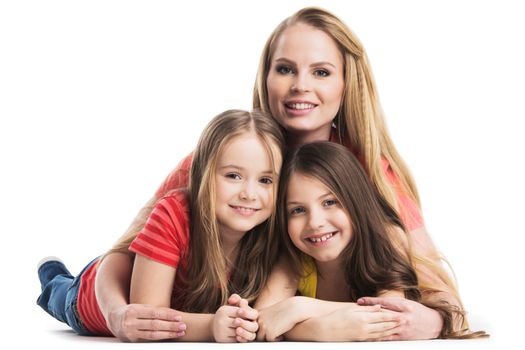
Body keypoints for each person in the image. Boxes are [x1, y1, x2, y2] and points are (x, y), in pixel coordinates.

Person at [94, 7, 472, 340]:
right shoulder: (224, 155)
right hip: (192, 306)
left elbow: (436, 285)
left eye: (321, 72)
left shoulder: (369, 167)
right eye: (285, 69)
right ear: (266, 76)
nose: (300, 86)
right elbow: (120, 253)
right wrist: (115, 314)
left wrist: (435, 322)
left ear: (346, 84)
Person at [37, 109, 285, 342]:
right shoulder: (174, 212)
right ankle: (51, 272)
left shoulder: (269, 234)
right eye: (233, 176)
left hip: (140, 263)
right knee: (58, 293)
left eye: (265, 180)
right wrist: (212, 326)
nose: (250, 194)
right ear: (202, 174)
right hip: (88, 297)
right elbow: (149, 317)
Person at [254, 142, 486, 340]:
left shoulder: (385, 241)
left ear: (356, 201)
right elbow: (263, 322)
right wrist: (318, 329)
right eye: (297, 210)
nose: (315, 222)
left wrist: (301, 308)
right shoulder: (295, 259)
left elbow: (388, 317)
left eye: (329, 202)